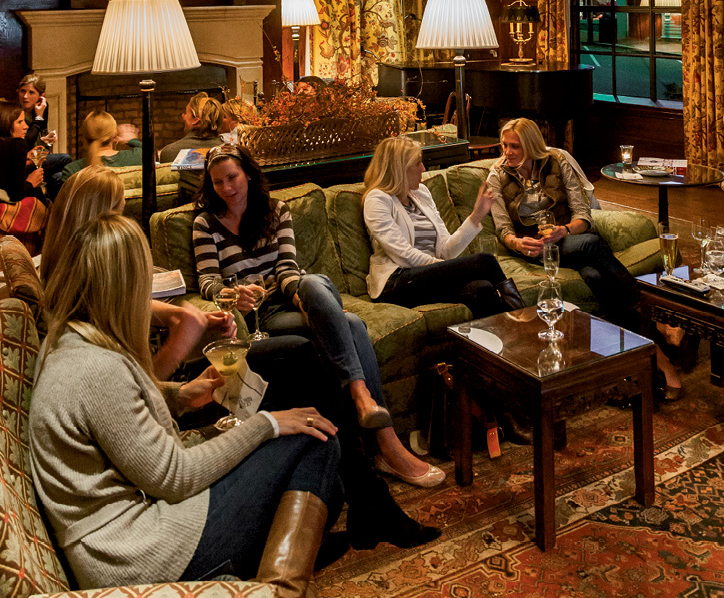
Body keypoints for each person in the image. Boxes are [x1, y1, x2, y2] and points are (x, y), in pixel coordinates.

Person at [30, 214, 342, 595]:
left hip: (134, 538)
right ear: (124, 289)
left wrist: (178, 396)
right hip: (141, 555)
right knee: (315, 438)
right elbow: (175, 478)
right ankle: (276, 591)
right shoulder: (95, 367)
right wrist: (266, 424)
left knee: (309, 446)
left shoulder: (72, 340)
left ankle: (240, 578)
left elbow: (116, 416)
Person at [192, 143, 444, 488]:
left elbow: (286, 268)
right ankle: (382, 433)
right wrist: (232, 294)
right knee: (352, 323)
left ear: (248, 174)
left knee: (310, 283)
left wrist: (303, 300)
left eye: (233, 178)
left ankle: (372, 421)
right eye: (218, 182)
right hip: (261, 318)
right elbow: (207, 279)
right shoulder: (205, 223)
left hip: (287, 299)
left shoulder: (276, 210)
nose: (228, 188)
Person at [486, 117, 684, 399]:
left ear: (531, 145)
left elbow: (584, 216)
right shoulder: (497, 175)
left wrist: (563, 230)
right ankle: (656, 323)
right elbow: (503, 229)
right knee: (592, 245)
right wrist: (518, 243)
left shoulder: (557, 162)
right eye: (505, 145)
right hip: (535, 250)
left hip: (568, 238)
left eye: (515, 146)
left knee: (594, 275)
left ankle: (655, 356)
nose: (508, 152)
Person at [41, 166, 236, 379]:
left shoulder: (71, 276)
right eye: (119, 215)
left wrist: (176, 315)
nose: (123, 225)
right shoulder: (81, 331)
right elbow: (138, 390)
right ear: (97, 222)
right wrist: (178, 346)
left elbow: (120, 303)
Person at [362, 135, 525, 319]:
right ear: (401, 168)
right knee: (484, 262)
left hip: (429, 277)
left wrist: (476, 216)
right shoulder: (377, 200)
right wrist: (450, 268)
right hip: (397, 281)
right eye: (418, 163)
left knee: (482, 289)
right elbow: (404, 255)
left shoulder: (421, 193)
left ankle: (502, 344)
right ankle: (524, 322)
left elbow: (446, 251)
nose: (423, 168)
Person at [16, 74, 71, 199]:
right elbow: (25, 142)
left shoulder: (42, 108)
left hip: (35, 155)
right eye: (23, 91)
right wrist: (39, 117)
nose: (25, 96)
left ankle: (51, 208)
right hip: (22, 160)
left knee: (58, 176)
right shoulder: (14, 112)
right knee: (65, 158)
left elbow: (41, 135)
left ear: (41, 96)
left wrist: (48, 139)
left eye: (31, 92)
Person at [59, 111, 142, 185]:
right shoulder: (138, 156)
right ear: (114, 135)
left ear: (84, 137)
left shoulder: (72, 171)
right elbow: (149, 152)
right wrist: (131, 140)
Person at [0, 99, 45, 204]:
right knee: (63, 159)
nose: (26, 126)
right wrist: (31, 182)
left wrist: (24, 159)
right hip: (8, 210)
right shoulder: (17, 144)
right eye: (20, 122)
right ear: (6, 123)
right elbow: (17, 195)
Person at [160, 92, 224, 163]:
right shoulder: (229, 151)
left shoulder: (169, 152)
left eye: (186, 113)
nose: (183, 115)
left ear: (196, 120)